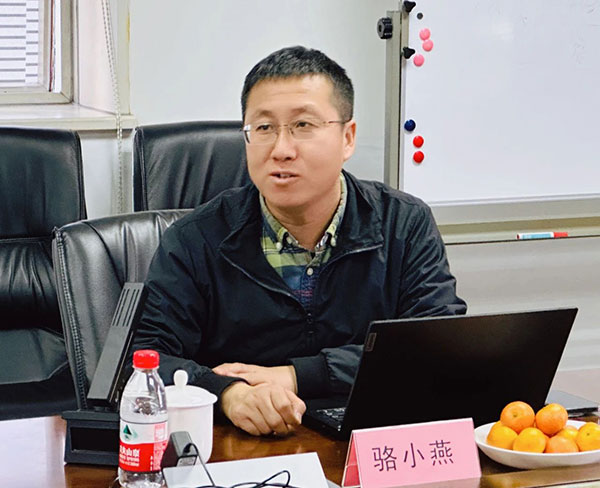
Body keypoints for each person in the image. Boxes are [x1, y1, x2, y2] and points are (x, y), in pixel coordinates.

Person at [134, 45, 466, 437]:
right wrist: (228, 394)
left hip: (366, 444)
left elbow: (437, 346)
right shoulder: (195, 239)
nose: (281, 150)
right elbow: (145, 361)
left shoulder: (403, 224)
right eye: (263, 128)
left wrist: (297, 375)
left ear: (347, 138)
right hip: (242, 449)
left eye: (303, 125)